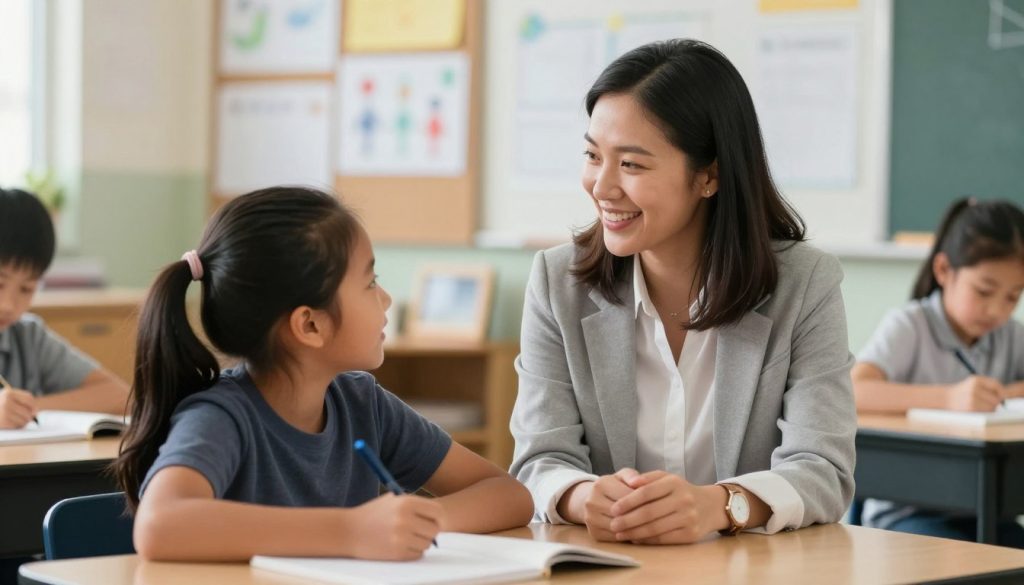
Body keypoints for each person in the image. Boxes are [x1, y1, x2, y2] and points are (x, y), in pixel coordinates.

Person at [509, 39, 856, 544]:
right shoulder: (557, 283)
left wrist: (720, 505)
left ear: (709, 175)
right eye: (592, 155)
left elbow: (824, 470)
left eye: (631, 164)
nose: (601, 186)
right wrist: (584, 496)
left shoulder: (804, 285)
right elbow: (539, 457)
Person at [113, 186, 532, 561]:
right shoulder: (222, 416)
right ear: (310, 325)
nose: (386, 299)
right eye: (371, 282)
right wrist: (351, 532)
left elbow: (510, 494)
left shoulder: (361, 403)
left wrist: (424, 520)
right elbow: (159, 525)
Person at [853, 198, 1024, 544]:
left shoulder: (1010, 336)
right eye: (984, 291)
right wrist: (949, 398)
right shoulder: (910, 326)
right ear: (944, 270)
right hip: (906, 512)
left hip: (983, 510)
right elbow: (854, 390)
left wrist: (1004, 394)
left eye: (1013, 297)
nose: (996, 310)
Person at [0, 187, 129, 429]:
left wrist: (29, 408)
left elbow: (121, 396)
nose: (8, 305)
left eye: (26, 289)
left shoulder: (27, 336)